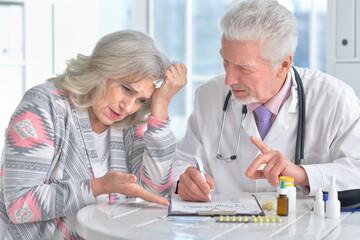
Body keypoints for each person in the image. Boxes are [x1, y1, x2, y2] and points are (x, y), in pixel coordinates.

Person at [0, 30, 187, 239]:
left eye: (141, 100)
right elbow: (19, 205)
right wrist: (99, 186)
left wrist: (160, 105)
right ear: (103, 70)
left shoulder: (129, 123)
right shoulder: (43, 106)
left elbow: (155, 192)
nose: (127, 107)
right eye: (126, 89)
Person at [174, 0, 360, 202]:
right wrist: (183, 181)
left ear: (283, 65)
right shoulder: (208, 97)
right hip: (229, 229)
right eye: (225, 62)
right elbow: (183, 160)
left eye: (243, 68)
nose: (229, 79)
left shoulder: (334, 99)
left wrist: (301, 174)